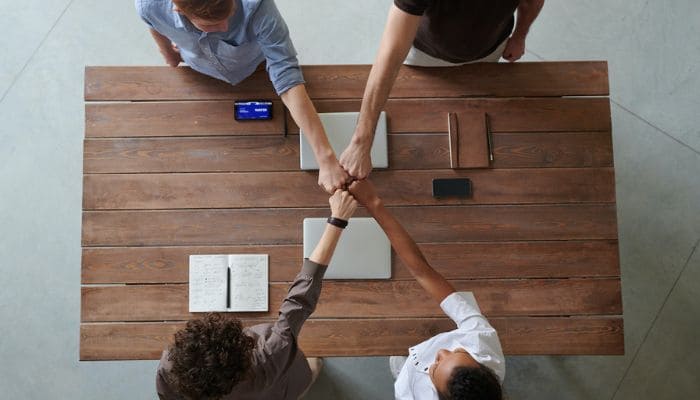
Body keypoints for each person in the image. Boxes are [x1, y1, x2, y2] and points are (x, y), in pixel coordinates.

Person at [155, 189, 359, 399]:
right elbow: (300, 298)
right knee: (311, 367)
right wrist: (338, 220)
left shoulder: (169, 368)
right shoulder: (269, 355)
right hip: (280, 388)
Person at [135, 0, 349, 193]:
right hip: (199, 74)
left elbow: (286, 75)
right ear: (177, 9)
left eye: (229, 14)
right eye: (210, 25)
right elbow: (152, 21)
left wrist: (326, 159)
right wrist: (168, 54)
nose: (225, 28)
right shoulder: (149, 5)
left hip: (254, 65)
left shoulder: (259, 7)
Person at [339, 0, 545, 180]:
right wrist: (361, 141)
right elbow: (391, 55)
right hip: (424, 53)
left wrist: (519, 36)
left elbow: (531, 2)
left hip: (490, 48)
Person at [349, 179, 505, 400]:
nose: (441, 352)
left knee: (404, 377)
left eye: (435, 366)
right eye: (457, 351)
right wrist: (373, 203)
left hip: (406, 390)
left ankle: (403, 371)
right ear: (486, 368)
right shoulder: (480, 341)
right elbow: (422, 271)